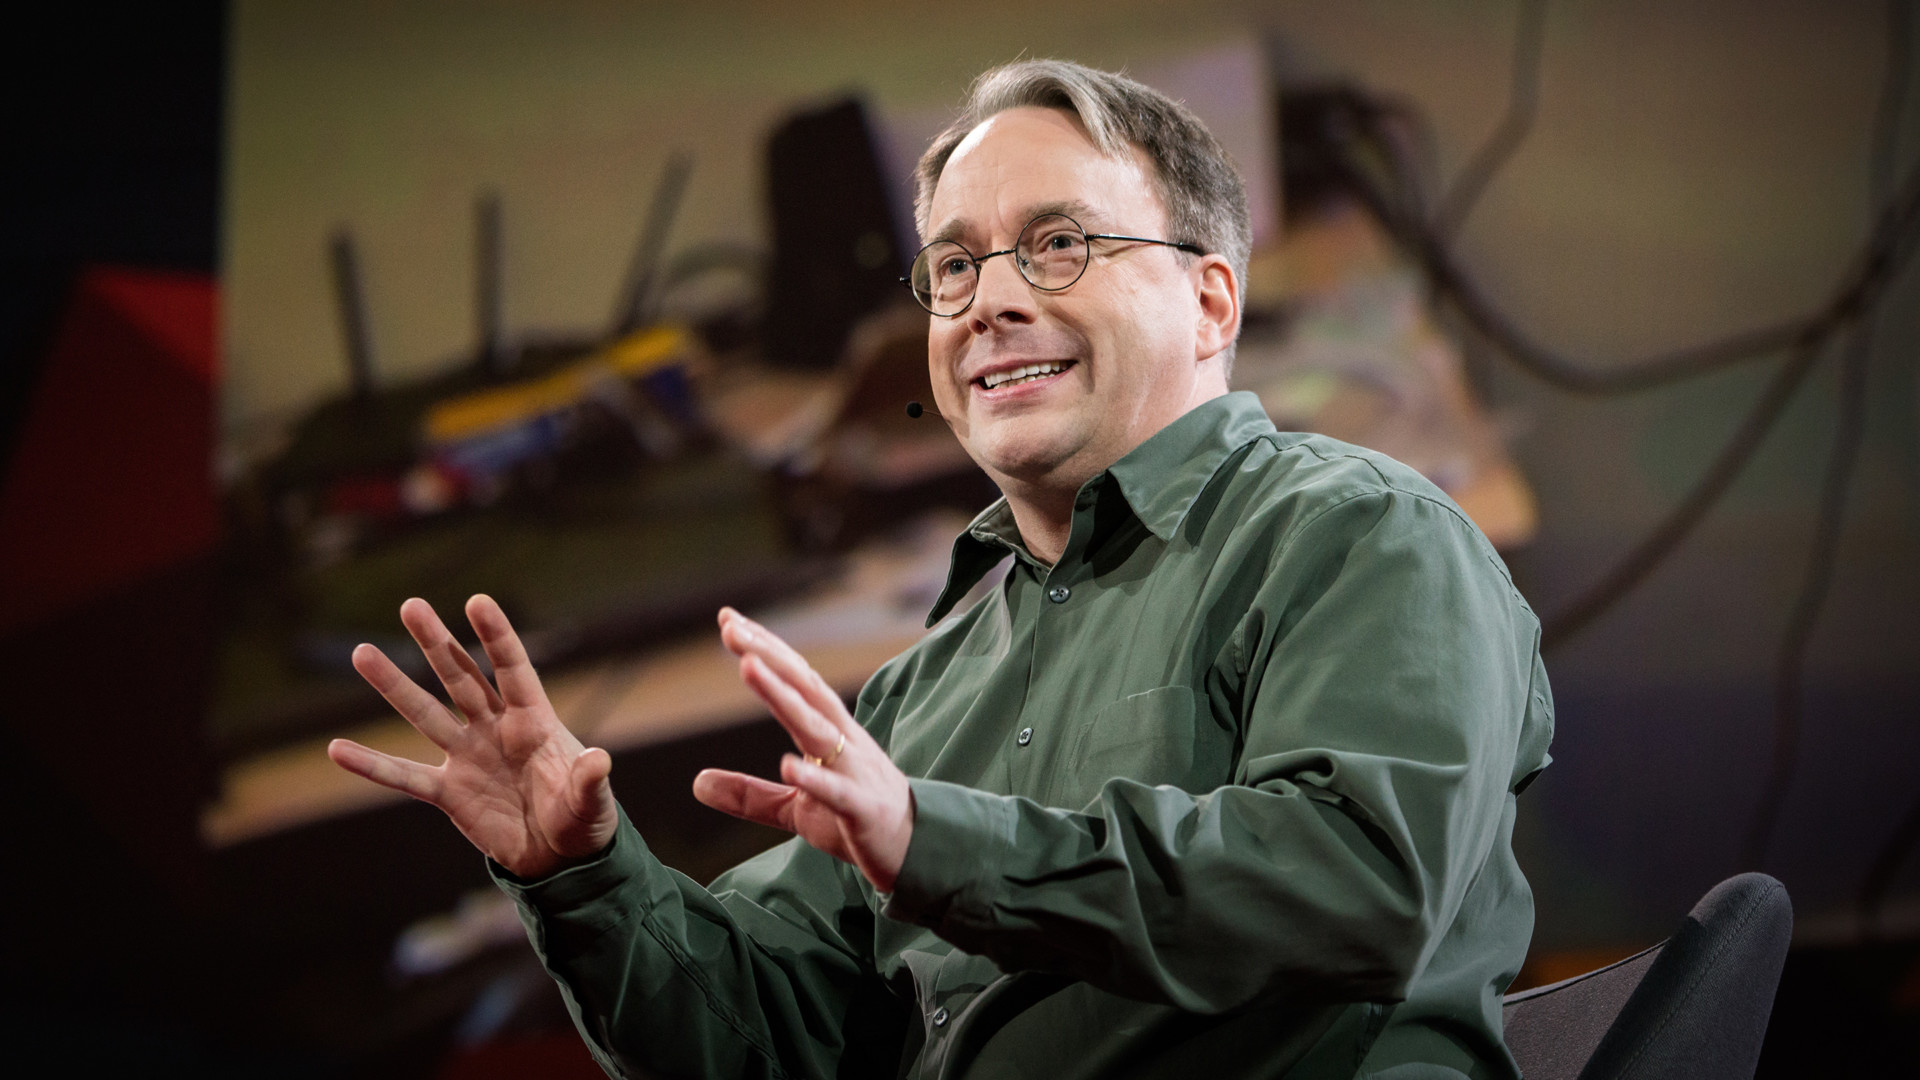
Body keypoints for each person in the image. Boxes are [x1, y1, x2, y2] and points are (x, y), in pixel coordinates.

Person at [328, 59, 1554, 1080]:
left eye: (1058, 244)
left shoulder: (1360, 536)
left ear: (1211, 303)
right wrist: (583, 879)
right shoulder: (920, 692)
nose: (987, 303)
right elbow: (769, 1042)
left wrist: (942, 846)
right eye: (954, 267)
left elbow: (1359, 885)